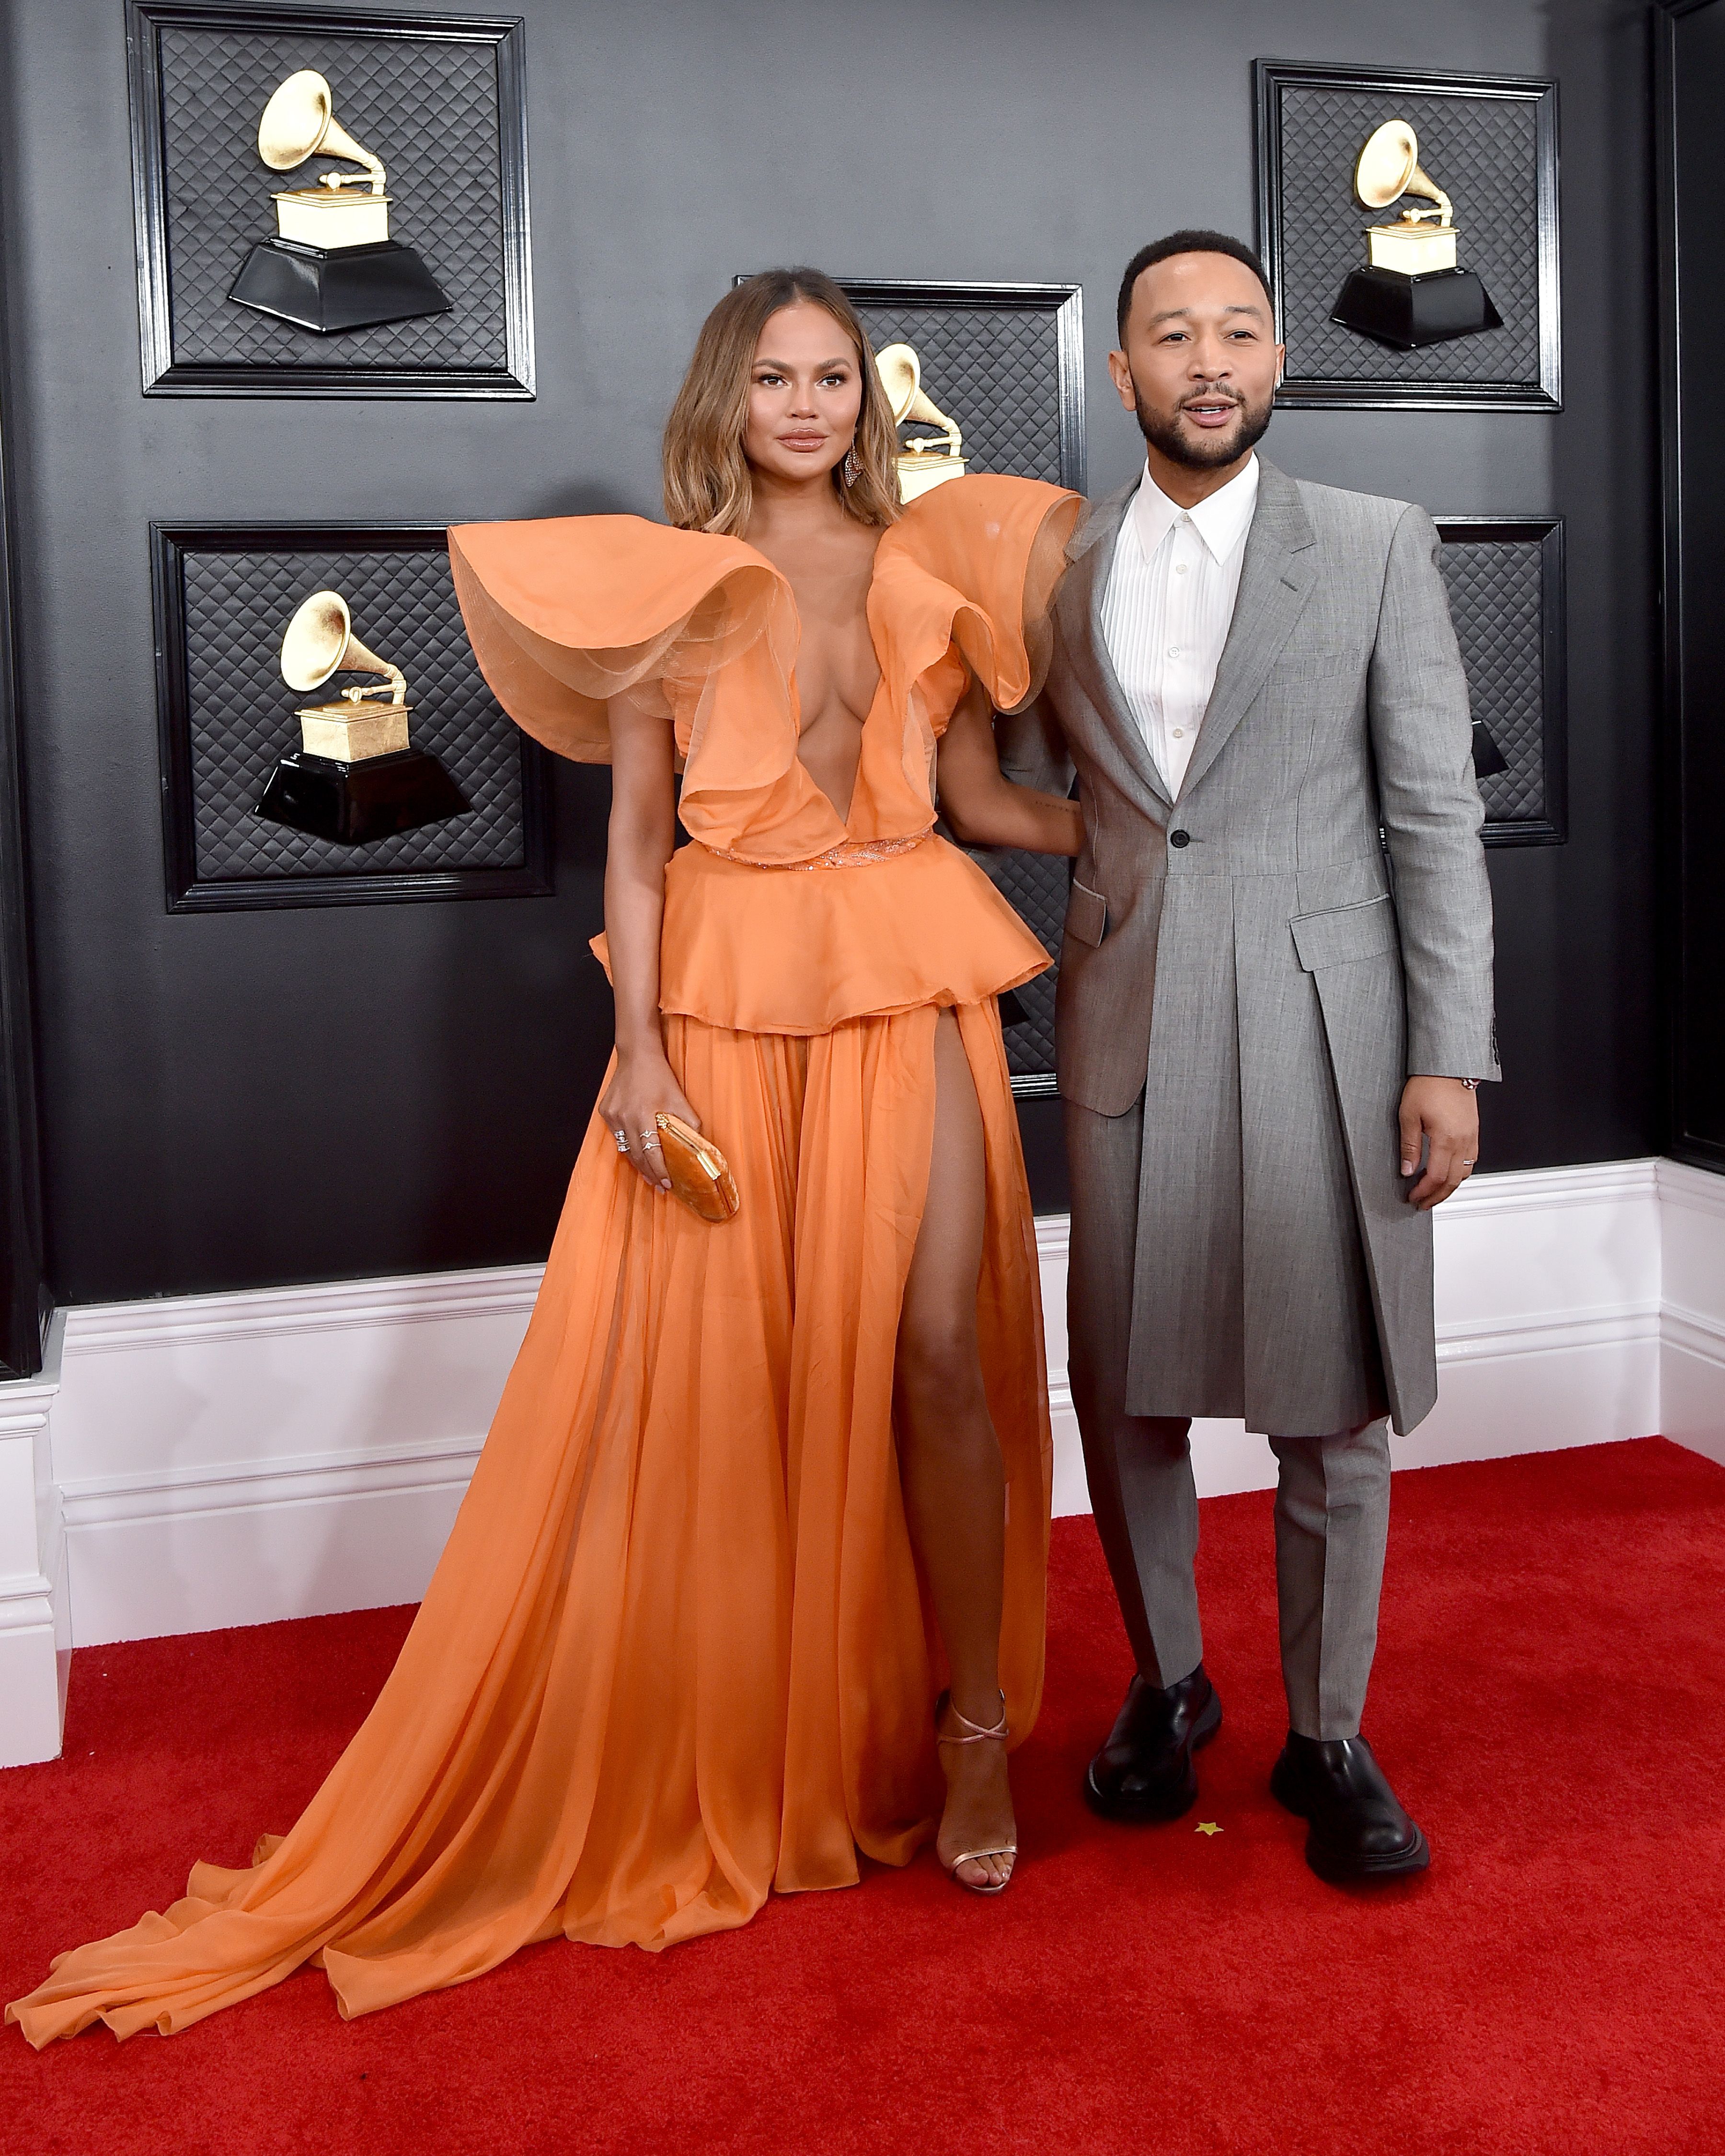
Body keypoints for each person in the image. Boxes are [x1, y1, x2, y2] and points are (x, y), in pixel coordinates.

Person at [9, 268, 1083, 2044]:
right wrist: (639, 1055)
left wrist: (1147, 829)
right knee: (736, 1378)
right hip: (729, 1010)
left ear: (863, 402)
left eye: (831, 376)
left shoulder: (936, 577)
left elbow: (978, 803)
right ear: (727, 399)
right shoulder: (667, 592)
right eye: (772, 377)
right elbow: (644, 854)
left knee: (944, 1359)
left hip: (911, 986)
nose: (807, 405)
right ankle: (759, 1734)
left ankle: (971, 1738)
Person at [1000, 230, 1497, 1883]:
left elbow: (1433, 810)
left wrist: (1450, 1054)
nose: (1208, 360)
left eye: (1240, 331)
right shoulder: (1049, 563)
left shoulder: (1373, 545)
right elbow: (997, 771)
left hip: (1330, 1020)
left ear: (1277, 361)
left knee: (1332, 1406)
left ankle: (1330, 1731)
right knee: (1127, 1393)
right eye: (1171, 333)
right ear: (1123, 369)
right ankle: (1168, 1684)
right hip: (1126, 1012)